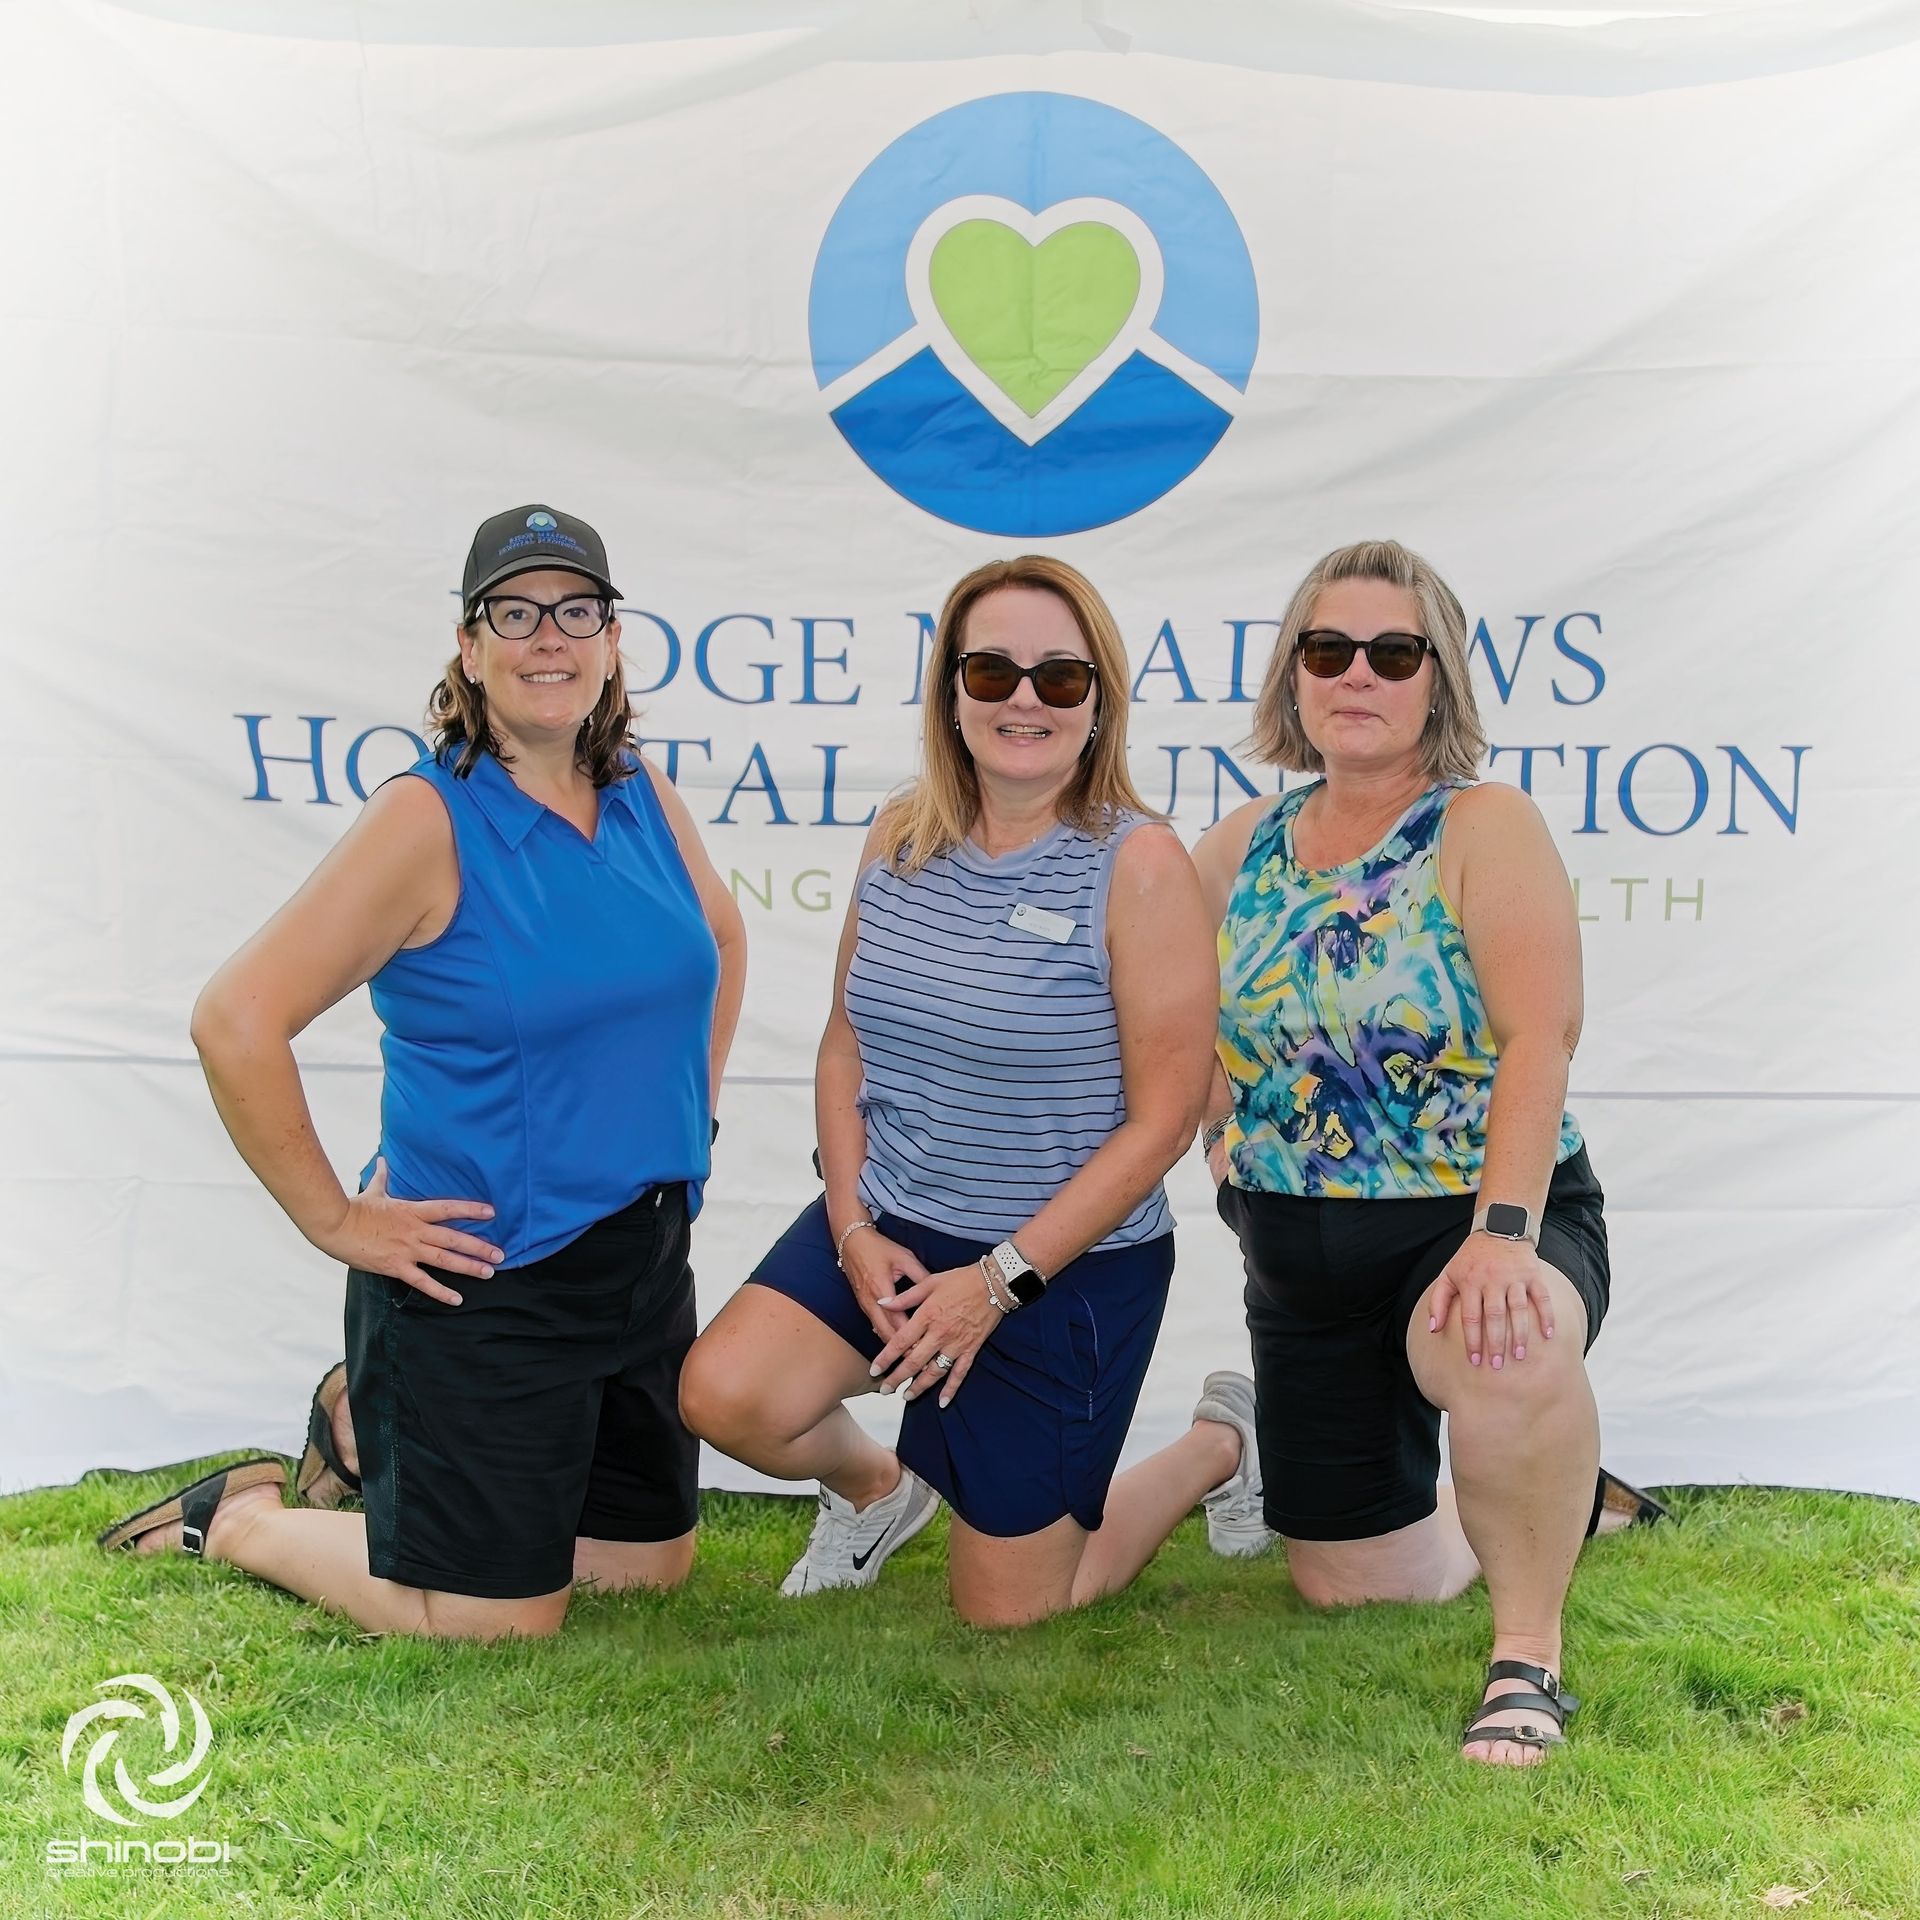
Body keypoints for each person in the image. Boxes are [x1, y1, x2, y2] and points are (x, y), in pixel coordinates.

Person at [100, 505, 746, 1642]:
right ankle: (244, 1517)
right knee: (494, 1623)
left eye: (577, 611)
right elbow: (235, 1019)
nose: (550, 638)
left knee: (643, 1574)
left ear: (611, 639)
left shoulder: (638, 787)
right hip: (482, 1278)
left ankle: (358, 1422)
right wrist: (338, 1221)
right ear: (470, 645)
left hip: (643, 1259)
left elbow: (721, 941)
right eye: (517, 613)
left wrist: (691, 1112)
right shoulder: (426, 818)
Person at [677, 555, 1269, 1626]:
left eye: (1060, 677)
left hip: (1063, 1264)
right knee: (723, 1393)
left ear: (1101, 702)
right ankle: (878, 1494)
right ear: (951, 694)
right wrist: (852, 1229)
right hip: (898, 1227)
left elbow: (1165, 1121)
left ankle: (1219, 1444)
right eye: (992, 673)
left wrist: (995, 1283)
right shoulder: (900, 835)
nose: (1026, 700)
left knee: (1016, 1612)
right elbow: (843, 1049)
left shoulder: (1138, 867)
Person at [1194, 537, 1628, 1765]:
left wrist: (1505, 1237)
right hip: (1298, 1252)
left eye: (1395, 652)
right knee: (1349, 1585)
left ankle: (1528, 1659)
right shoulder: (1237, 851)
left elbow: (1539, 1034)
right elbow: (1176, 1042)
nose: (1359, 676)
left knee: (1506, 1332)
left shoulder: (1481, 825)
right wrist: (1214, 1143)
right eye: (1328, 650)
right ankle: (1563, 1494)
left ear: (1438, 680)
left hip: (1473, 1211)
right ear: (1292, 677)